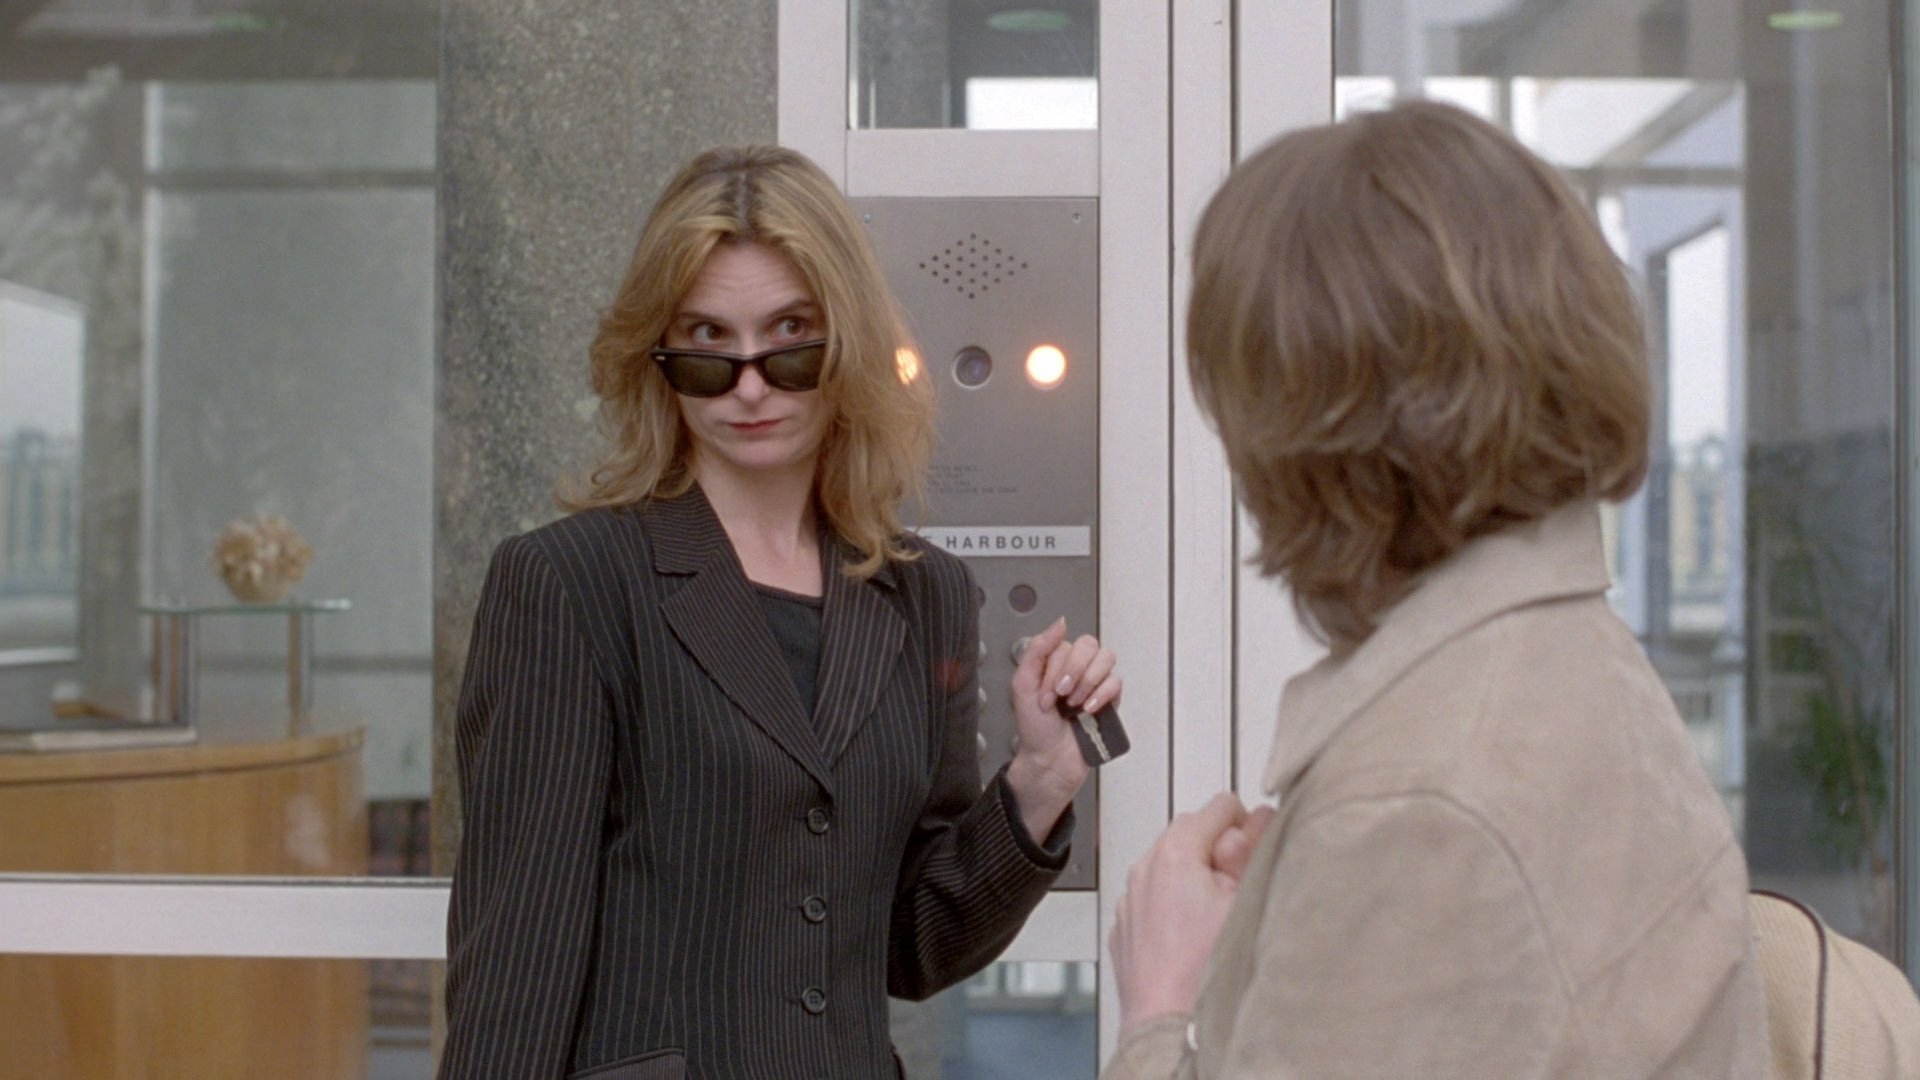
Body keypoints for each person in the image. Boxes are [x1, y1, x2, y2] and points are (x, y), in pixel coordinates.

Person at [1104, 100, 1769, 1077]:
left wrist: (1160, 1004)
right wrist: (1313, 908)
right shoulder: (1564, 661)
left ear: (1302, 430)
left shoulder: (1420, 803)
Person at [440, 144, 1120, 1079]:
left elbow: (910, 946)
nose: (750, 384)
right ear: (658, 358)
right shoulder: (569, 584)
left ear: (847, 343)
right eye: (708, 344)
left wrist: (1040, 780)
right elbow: (516, 964)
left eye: (789, 336)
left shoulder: (925, 594)